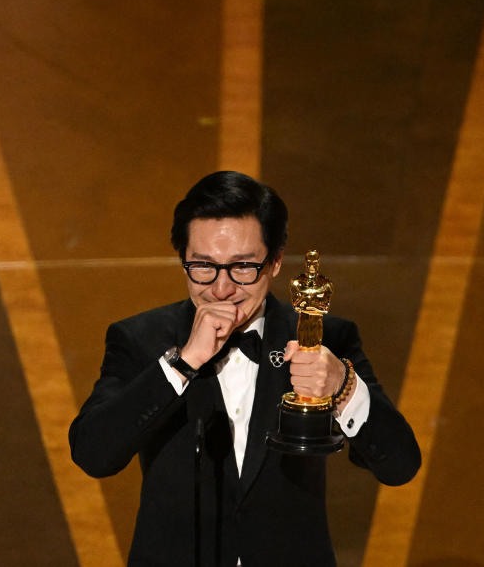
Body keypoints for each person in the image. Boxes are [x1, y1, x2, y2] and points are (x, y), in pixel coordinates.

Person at [69, 171, 420, 566]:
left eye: (242, 267)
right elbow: (93, 455)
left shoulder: (322, 338)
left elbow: (400, 466)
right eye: (202, 265)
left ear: (274, 262)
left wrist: (343, 387)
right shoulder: (141, 339)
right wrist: (182, 363)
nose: (221, 289)